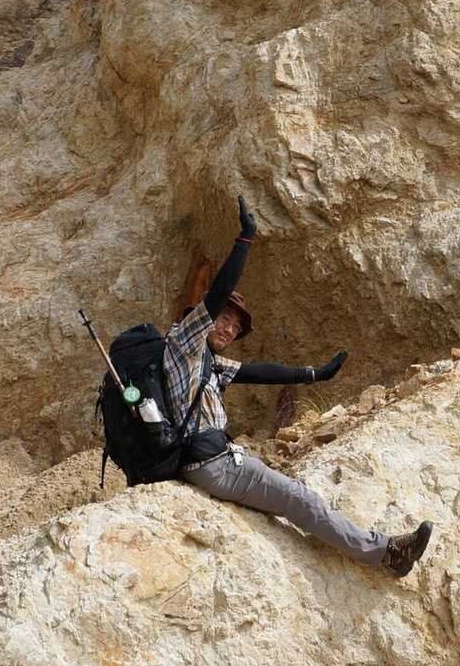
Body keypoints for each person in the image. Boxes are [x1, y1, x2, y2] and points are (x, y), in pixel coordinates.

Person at [162, 195, 434, 577]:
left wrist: (314, 375)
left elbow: (257, 372)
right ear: (205, 317)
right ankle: (387, 553)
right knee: (299, 498)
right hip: (212, 464)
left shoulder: (204, 360)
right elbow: (219, 291)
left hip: (212, 460)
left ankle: (378, 548)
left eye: (236, 327)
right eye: (224, 319)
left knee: (291, 495)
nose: (229, 329)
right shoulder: (185, 342)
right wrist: (245, 239)